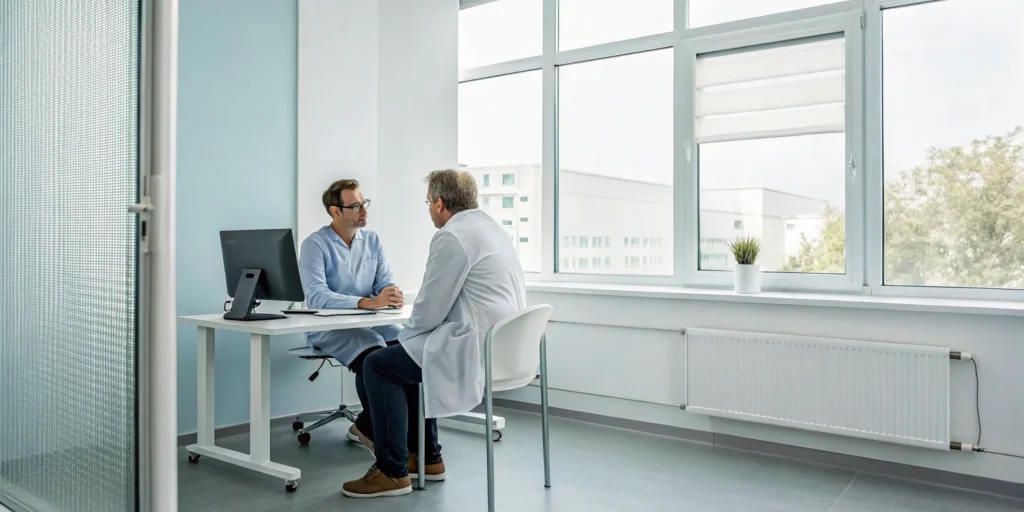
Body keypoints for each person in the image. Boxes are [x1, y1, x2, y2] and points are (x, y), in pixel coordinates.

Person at [342, 169, 527, 498]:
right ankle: (428, 459)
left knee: (379, 365)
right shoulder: (492, 228)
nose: (429, 209)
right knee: (406, 356)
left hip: (472, 343)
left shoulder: (452, 235)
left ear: (440, 204)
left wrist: (405, 339)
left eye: (428, 202)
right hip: (503, 346)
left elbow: (429, 307)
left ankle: (391, 471)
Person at [297, 179, 407, 453]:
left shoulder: (372, 240)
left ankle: (378, 427)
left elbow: (384, 280)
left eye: (364, 203)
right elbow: (316, 296)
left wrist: (389, 294)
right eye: (355, 206)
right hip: (327, 328)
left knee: (406, 347)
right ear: (335, 211)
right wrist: (368, 302)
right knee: (374, 354)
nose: (363, 210)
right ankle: (374, 432)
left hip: (370, 321)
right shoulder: (315, 244)